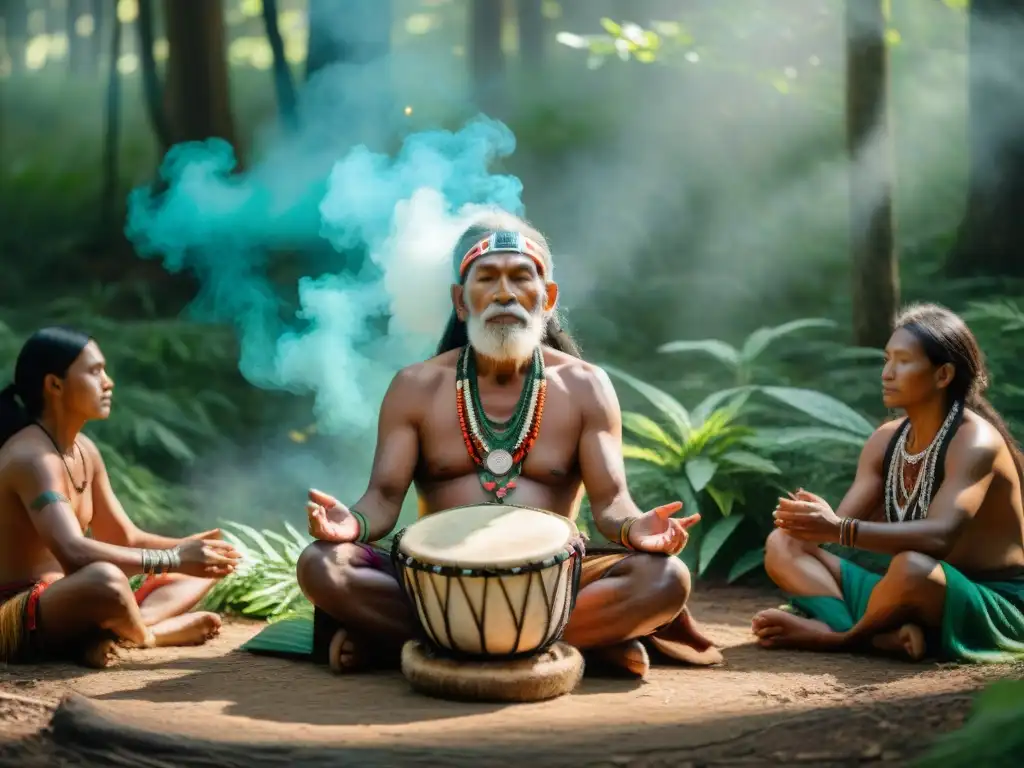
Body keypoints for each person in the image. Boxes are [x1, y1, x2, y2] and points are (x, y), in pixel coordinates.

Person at [295, 211, 722, 678]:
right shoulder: (416, 386)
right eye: (487, 279)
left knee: (663, 579)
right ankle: (578, 642)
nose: (504, 293)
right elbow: (383, 498)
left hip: (554, 577)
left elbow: (612, 502)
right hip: (432, 579)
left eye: (522, 277)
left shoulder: (584, 385)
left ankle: (417, 641)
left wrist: (635, 528)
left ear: (548, 298)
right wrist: (351, 522)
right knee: (322, 565)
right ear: (461, 301)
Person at [752, 303, 1024, 663]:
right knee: (784, 544)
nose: (887, 373)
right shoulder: (885, 441)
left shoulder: (975, 442)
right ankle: (878, 634)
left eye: (903, 361)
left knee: (911, 567)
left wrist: (838, 528)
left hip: (987, 601)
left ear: (943, 375)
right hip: (903, 589)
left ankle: (841, 637)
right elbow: (837, 532)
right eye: (886, 360)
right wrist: (813, 520)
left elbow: (939, 537)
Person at [0, 327, 242, 668]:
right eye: (95, 371)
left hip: (74, 594)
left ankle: (115, 632)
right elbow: (73, 550)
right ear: (55, 385)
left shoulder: (85, 449)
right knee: (106, 580)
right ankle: (149, 635)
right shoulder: (32, 459)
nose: (109, 382)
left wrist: (191, 552)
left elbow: (124, 537)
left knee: (192, 570)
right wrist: (173, 557)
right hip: (19, 611)